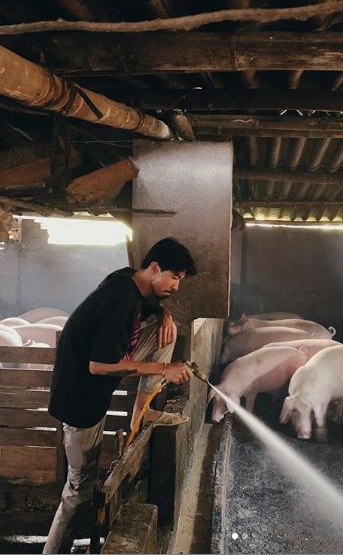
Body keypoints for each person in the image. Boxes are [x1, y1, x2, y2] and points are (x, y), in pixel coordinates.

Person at [43, 237, 196, 554]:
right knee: (79, 490)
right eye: (174, 278)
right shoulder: (120, 300)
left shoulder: (131, 281)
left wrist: (166, 314)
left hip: (93, 393)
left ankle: (144, 410)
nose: (176, 286)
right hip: (80, 402)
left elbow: (157, 309)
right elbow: (99, 367)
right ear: (155, 267)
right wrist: (161, 368)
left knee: (166, 332)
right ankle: (54, 550)